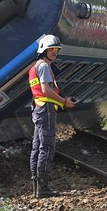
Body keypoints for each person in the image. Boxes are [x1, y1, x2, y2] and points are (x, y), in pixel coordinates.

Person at [29, 34, 75, 198]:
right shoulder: (44, 67)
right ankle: (43, 188)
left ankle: (37, 186)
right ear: (44, 50)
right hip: (46, 109)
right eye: (52, 49)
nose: (55, 52)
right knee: (47, 147)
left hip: (39, 109)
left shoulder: (35, 67)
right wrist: (64, 102)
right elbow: (46, 90)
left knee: (37, 147)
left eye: (56, 49)